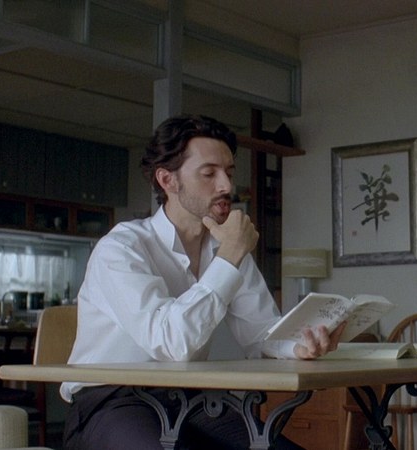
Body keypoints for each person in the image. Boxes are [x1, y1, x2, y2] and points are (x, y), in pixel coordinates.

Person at [61, 114, 345, 450]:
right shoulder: (121, 248)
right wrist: (230, 257)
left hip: (189, 399)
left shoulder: (226, 249)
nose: (226, 186)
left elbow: (260, 334)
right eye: (209, 173)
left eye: (229, 173)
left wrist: (298, 346)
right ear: (167, 180)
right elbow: (171, 344)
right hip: (112, 400)